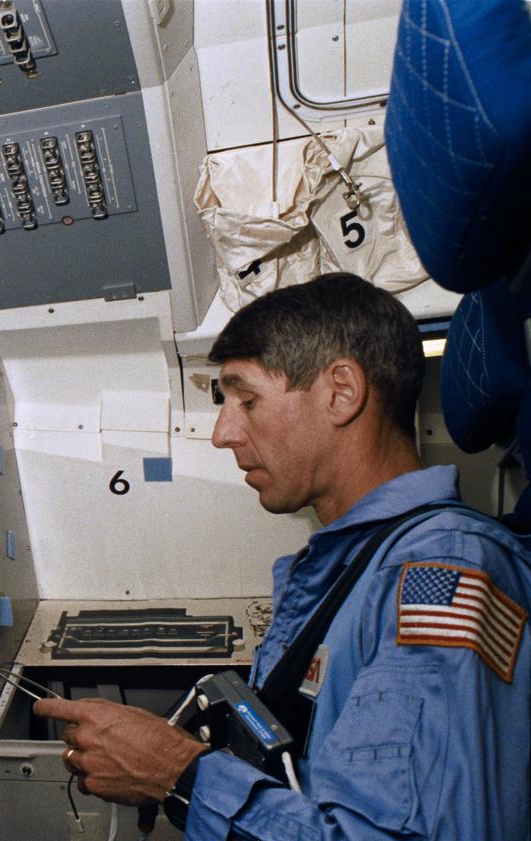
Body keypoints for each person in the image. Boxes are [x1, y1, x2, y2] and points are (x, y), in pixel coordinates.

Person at [36, 273, 531, 839]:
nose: (222, 433)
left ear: (341, 392)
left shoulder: (443, 570)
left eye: (246, 399)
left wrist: (178, 774)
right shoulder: (350, 567)